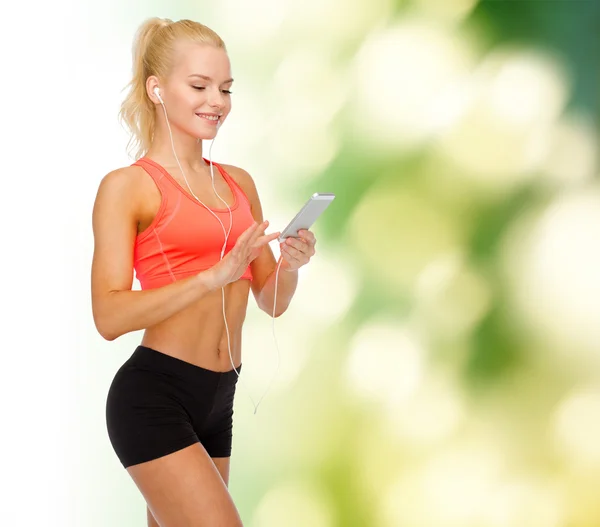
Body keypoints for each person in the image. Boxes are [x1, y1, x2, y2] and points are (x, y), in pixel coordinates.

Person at [90, 17, 317, 527]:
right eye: (199, 86)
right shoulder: (128, 187)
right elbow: (107, 315)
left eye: (226, 88)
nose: (217, 100)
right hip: (155, 397)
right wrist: (210, 278)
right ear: (156, 89)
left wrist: (292, 266)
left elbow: (271, 299)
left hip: (220, 397)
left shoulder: (238, 183)